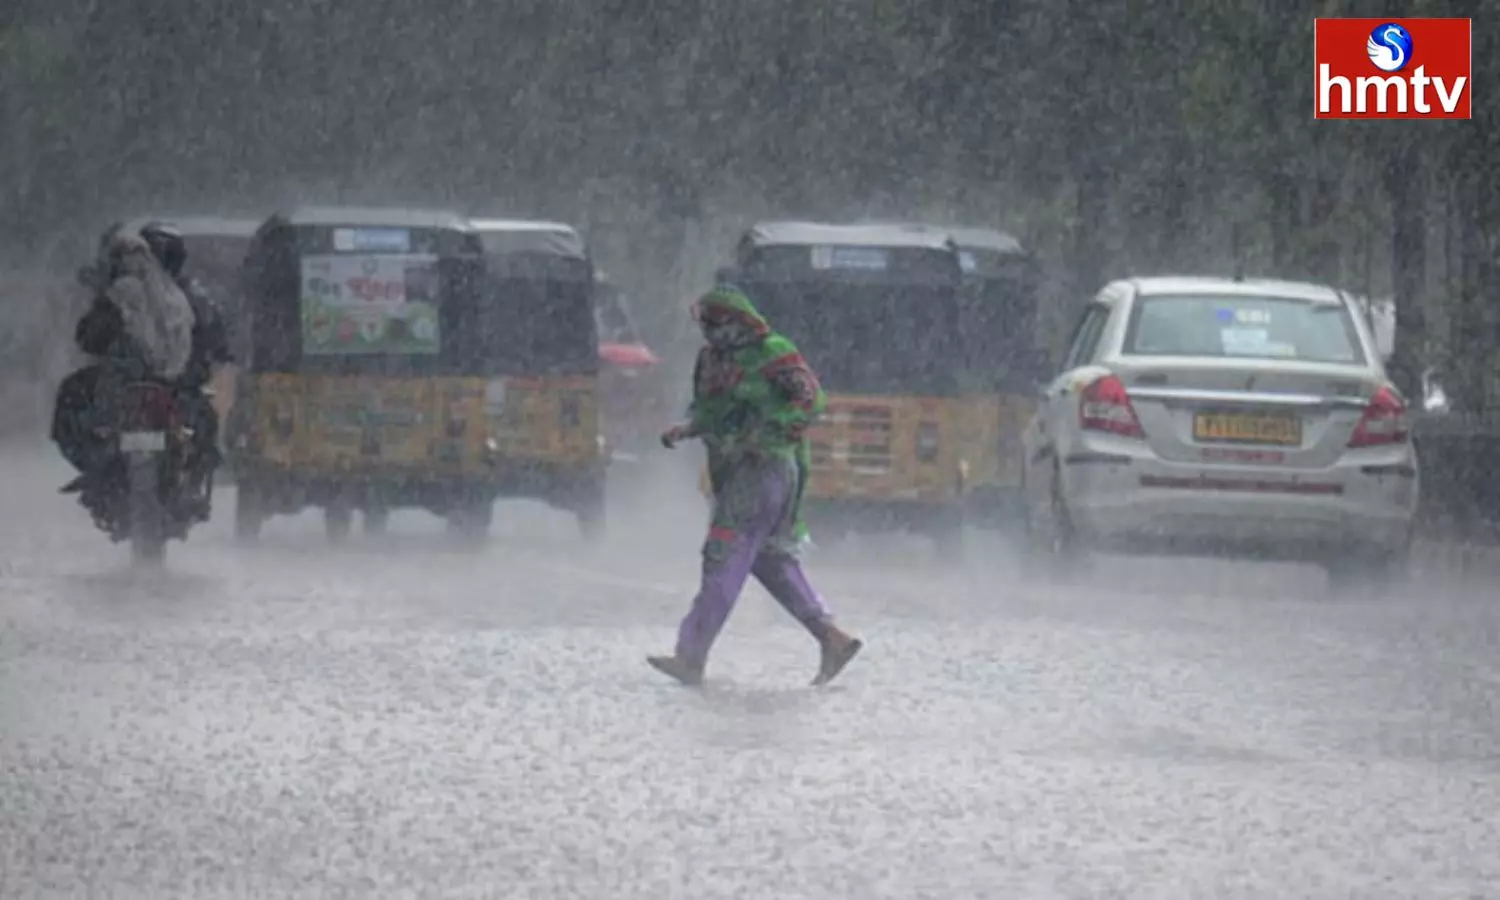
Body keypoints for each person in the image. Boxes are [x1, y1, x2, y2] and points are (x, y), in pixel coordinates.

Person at [649, 282, 864, 687]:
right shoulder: (711, 360)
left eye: (717, 322)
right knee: (769, 561)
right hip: (732, 472)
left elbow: (809, 400)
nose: (710, 331)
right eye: (706, 324)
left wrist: (767, 431)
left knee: (723, 556)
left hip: (764, 471)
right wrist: (687, 429)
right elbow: (712, 412)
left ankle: (690, 656)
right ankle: (833, 638)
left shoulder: (774, 353)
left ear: (738, 321)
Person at [52, 223, 230, 522]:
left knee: (203, 427)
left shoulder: (143, 293)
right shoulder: (183, 296)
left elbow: (88, 338)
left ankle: (102, 473)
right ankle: (181, 483)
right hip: (164, 387)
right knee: (204, 427)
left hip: (152, 388)